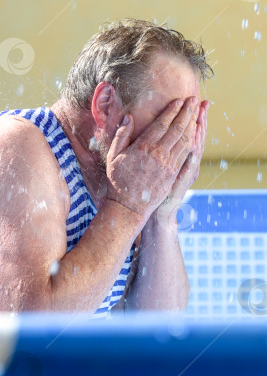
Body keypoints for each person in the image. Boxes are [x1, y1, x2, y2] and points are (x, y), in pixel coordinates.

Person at [0, 18, 213, 317]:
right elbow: (30, 326)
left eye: (188, 123)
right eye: (168, 120)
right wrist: (128, 206)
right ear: (104, 105)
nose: (180, 142)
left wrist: (161, 212)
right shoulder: (19, 145)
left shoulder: (123, 177)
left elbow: (155, 328)